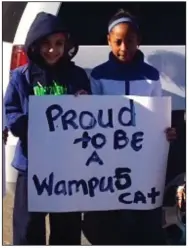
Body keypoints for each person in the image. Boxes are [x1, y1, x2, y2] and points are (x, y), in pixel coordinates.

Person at [83, 9, 176, 245]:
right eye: (118, 41)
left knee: (139, 215)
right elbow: (93, 116)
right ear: (108, 41)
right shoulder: (99, 75)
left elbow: (158, 115)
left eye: (130, 41)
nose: (124, 47)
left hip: (141, 158)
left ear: (139, 41)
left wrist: (167, 131)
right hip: (108, 157)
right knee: (109, 213)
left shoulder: (151, 76)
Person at [4, 12, 91, 245]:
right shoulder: (21, 77)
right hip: (30, 165)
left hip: (67, 167)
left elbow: (91, 118)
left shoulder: (77, 76)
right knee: (28, 230)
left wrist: (85, 103)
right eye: (45, 43)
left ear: (67, 45)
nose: (52, 50)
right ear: (34, 44)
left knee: (67, 228)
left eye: (58, 44)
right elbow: (10, 110)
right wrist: (24, 124)